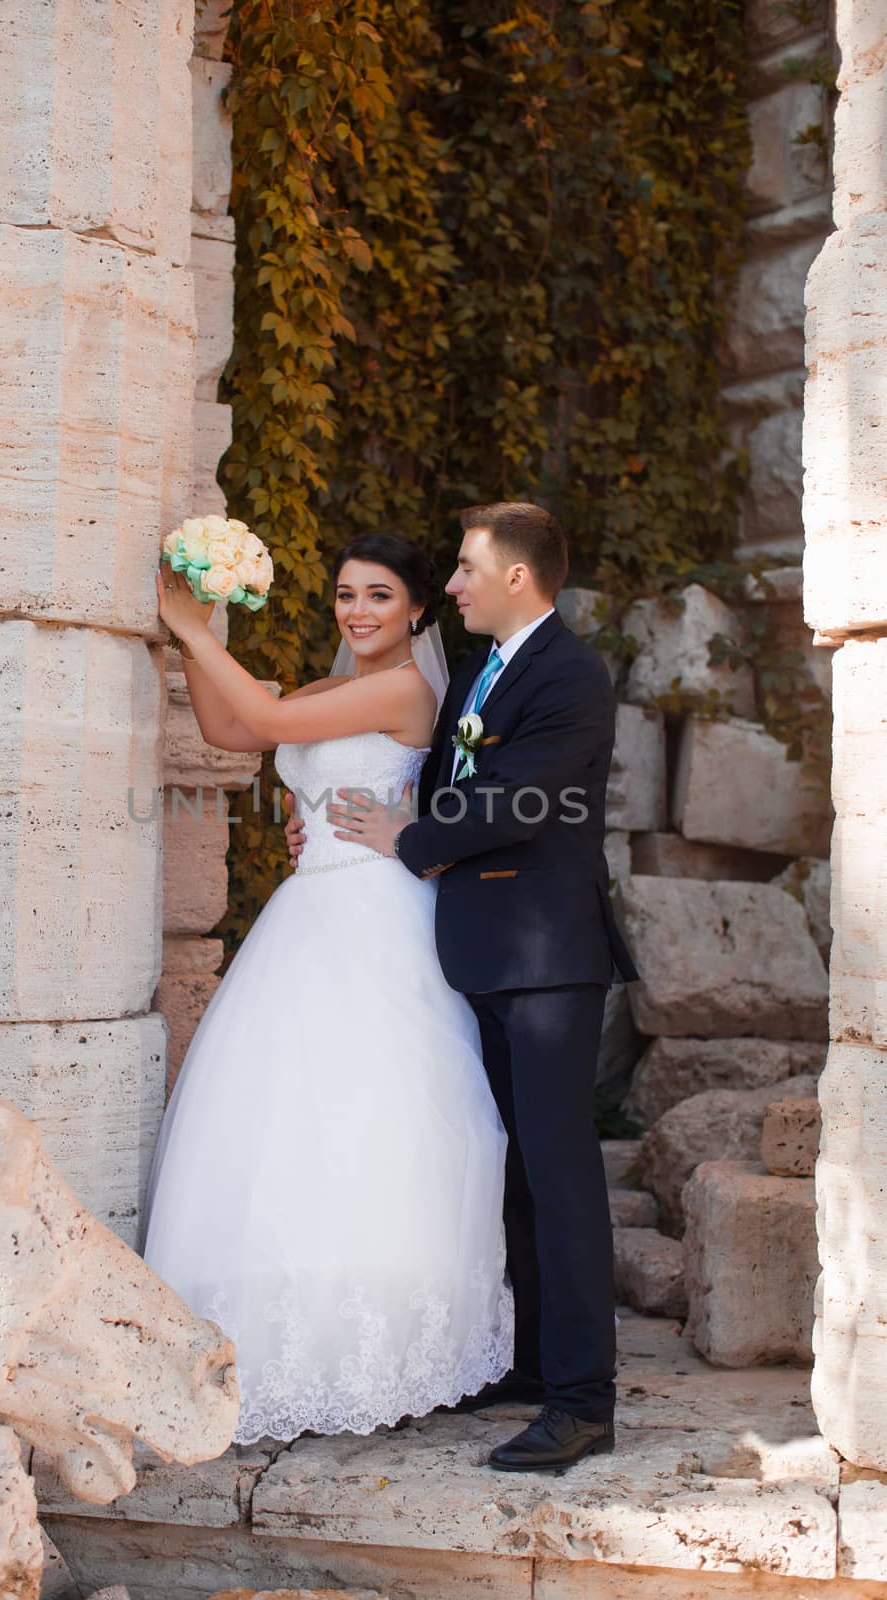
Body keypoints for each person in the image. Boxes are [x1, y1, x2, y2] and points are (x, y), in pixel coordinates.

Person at [143, 532, 514, 1446]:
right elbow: (231, 730)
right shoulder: (328, 687)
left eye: (379, 596)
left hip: (374, 916)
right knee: (275, 1117)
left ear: (417, 610)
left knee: (362, 1118)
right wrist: (198, 633)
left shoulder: (404, 691)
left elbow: (264, 728)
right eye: (346, 594)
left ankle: (368, 1345)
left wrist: (193, 633)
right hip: (306, 913)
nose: (357, 611)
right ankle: (255, 1339)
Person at [290, 502, 638, 1471]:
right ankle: (529, 1361)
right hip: (478, 951)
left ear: (516, 577)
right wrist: (335, 829)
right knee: (513, 1170)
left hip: (545, 959)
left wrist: (403, 840)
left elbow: (517, 798)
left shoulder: (567, 673)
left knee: (561, 1178)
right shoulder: (486, 671)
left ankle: (582, 1402)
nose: (451, 585)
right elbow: (440, 783)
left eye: (465, 568)